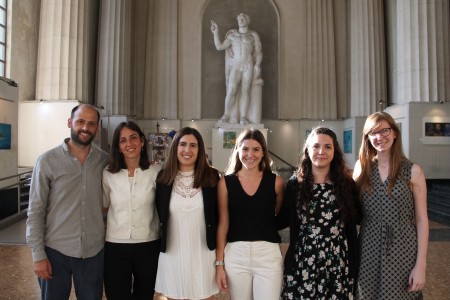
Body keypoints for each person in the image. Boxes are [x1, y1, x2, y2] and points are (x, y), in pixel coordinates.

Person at [26, 104, 108, 300]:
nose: (85, 128)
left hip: (93, 253)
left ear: (97, 128)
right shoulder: (47, 161)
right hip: (56, 252)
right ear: (70, 122)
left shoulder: (105, 162)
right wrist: (38, 255)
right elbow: (35, 211)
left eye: (91, 123)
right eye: (80, 121)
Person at [353, 111, 429, 299]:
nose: (380, 137)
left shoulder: (413, 171)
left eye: (385, 130)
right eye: (373, 132)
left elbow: (421, 220)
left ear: (395, 133)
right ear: (367, 138)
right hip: (368, 247)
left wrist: (421, 265)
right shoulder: (362, 169)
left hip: (403, 248)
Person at [278, 127, 360, 299]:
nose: (321, 151)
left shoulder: (346, 184)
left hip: (338, 262)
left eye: (327, 147)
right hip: (303, 260)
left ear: (334, 151)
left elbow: (357, 218)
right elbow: (283, 219)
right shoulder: (295, 185)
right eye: (316, 146)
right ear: (307, 150)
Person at [216, 129, 284, 300]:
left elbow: (277, 214)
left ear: (263, 153)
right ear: (237, 150)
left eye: (256, 149)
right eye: (245, 149)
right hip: (236, 253)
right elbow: (223, 225)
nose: (250, 154)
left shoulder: (276, 182)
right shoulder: (226, 183)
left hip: (268, 253)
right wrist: (219, 264)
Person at [154, 127, 221, 300]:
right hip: (173, 254)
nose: (187, 150)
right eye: (183, 144)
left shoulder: (212, 178)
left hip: (204, 255)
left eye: (193, 145)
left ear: (200, 150)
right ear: (175, 147)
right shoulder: (163, 179)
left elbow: (220, 219)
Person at [102, 121, 162, 299]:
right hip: (115, 246)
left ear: (142, 141)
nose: (129, 144)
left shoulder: (156, 171)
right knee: (116, 295)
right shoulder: (108, 173)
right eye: (123, 141)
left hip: (149, 245)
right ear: (118, 147)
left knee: (144, 295)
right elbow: (104, 205)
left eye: (133, 138)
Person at [211, 13, 263, 125]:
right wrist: (215, 33)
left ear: (247, 21)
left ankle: (243, 117)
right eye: (239, 18)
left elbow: (258, 52)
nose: (241, 20)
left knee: (245, 90)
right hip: (236, 64)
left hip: (248, 64)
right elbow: (219, 47)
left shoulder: (253, 35)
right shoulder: (232, 35)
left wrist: (257, 64)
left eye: (243, 18)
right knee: (231, 90)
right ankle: (226, 115)